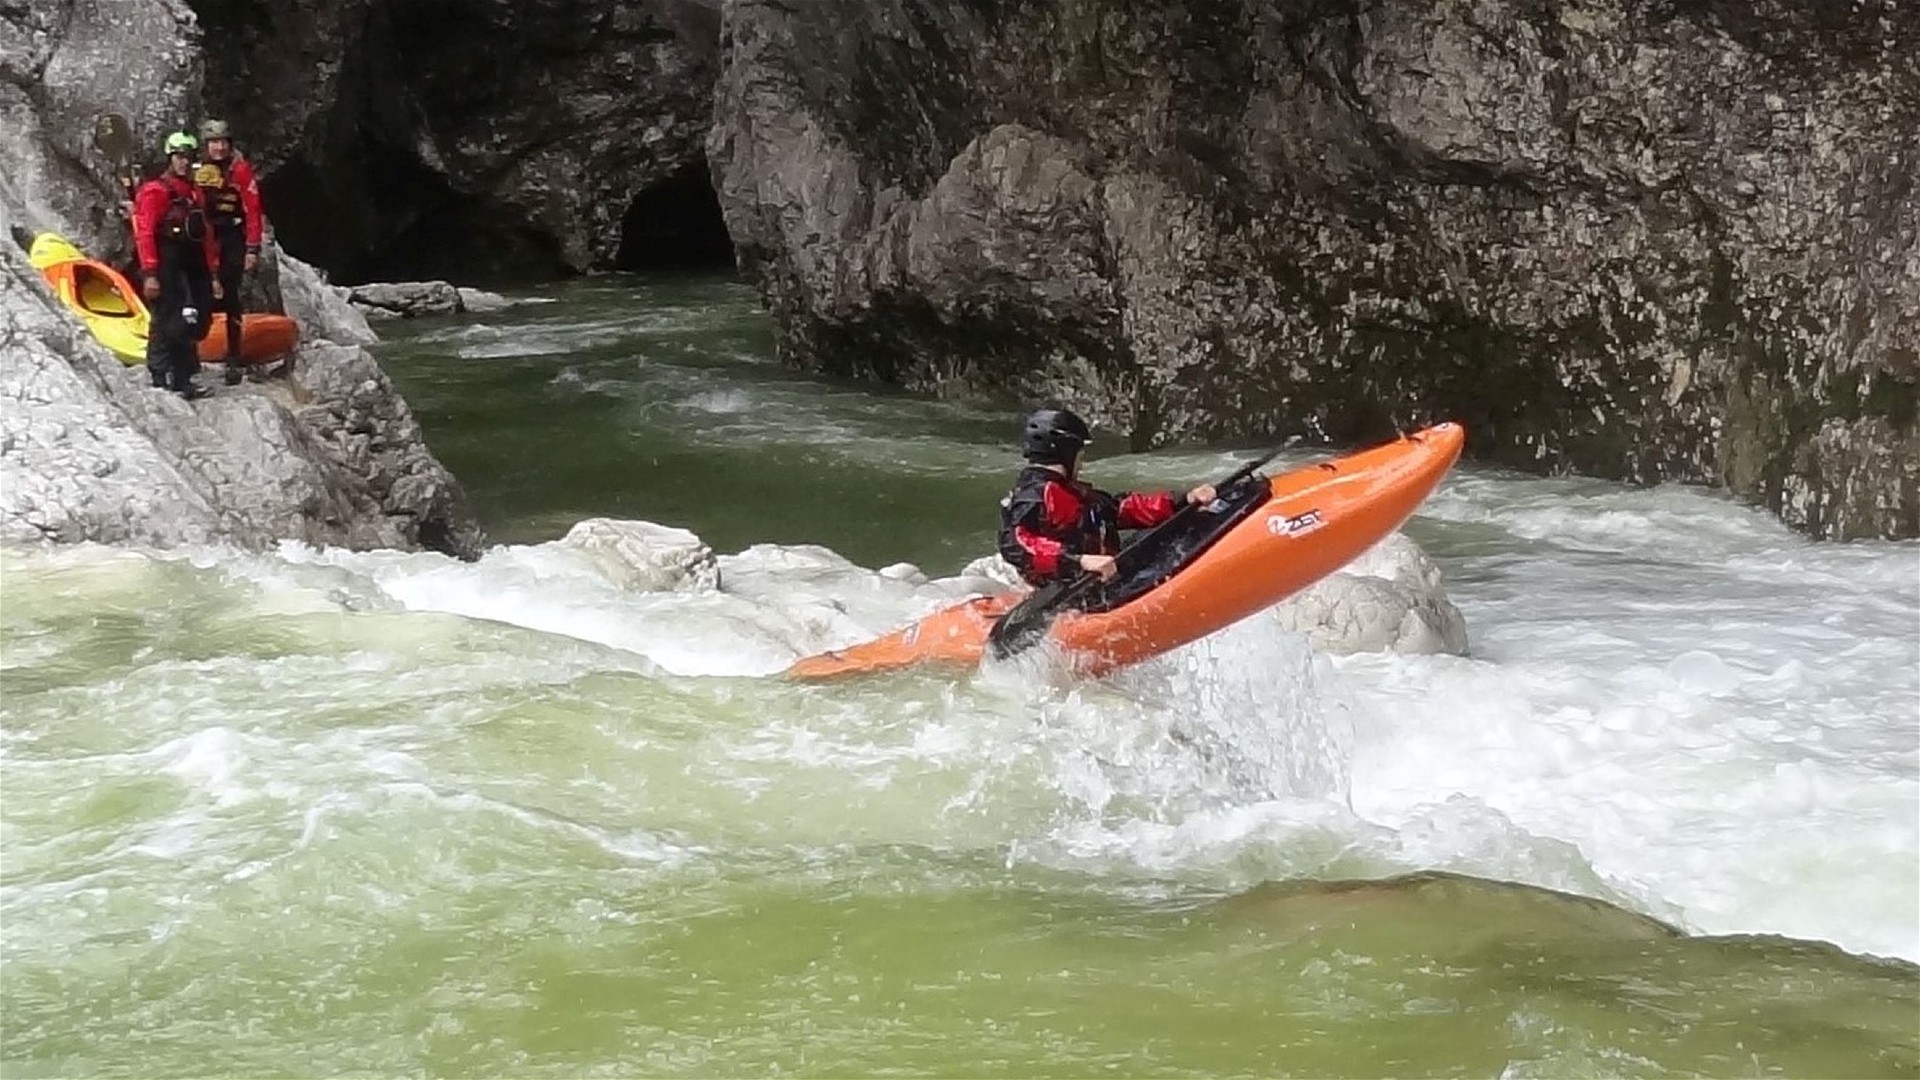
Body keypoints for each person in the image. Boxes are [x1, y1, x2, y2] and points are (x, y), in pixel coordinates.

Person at [998, 407, 1216, 587]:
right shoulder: (1035, 494)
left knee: (1187, 524)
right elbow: (1015, 544)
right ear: (1067, 451)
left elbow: (1121, 509)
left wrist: (1183, 499)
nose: (1081, 462)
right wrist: (1079, 561)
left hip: (1102, 577)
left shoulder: (1068, 490)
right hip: (1075, 590)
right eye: (1080, 454)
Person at [132, 131, 222, 400]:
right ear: (170, 159)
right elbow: (144, 233)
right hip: (166, 262)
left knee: (196, 317)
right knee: (167, 319)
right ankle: (162, 377)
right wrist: (150, 273)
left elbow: (205, 233)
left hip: (192, 262)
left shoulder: (194, 193)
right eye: (179, 157)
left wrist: (214, 272)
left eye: (188, 158)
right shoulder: (155, 192)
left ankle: (184, 376)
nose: (184, 163)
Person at [194, 119, 264, 384]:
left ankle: (233, 357)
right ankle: (195, 349)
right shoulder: (196, 171)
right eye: (214, 143)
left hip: (232, 236)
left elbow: (253, 211)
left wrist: (252, 248)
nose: (219, 148)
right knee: (199, 292)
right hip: (204, 238)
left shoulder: (240, 171)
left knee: (230, 292)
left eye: (223, 142)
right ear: (206, 146)